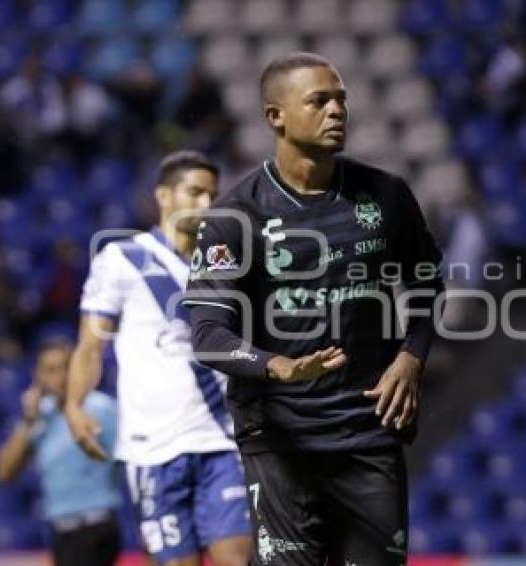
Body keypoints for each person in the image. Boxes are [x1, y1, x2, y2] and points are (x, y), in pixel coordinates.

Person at [183, 52, 444, 565]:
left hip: (368, 432)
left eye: (341, 100)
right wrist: (275, 366)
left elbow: (427, 281)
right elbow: (207, 333)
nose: (336, 112)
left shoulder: (386, 196)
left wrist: (412, 355)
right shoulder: (237, 216)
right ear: (275, 116)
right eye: (319, 101)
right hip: (280, 442)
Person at [64, 151, 252, 566]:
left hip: (220, 438)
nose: (206, 204)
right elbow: (90, 345)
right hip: (153, 447)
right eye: (195, 192)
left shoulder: (228, 268)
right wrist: (74, 404)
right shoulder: (122, 260)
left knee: (235, 559)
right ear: (163, 196)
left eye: (212, 195)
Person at [0, 339, 121, 566]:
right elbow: (4, 473)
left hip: (95, 526)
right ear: (38, 375)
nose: (60, 377)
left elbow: (127, 460)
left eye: (65, 367)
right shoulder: (39, 416)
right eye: (50, 370)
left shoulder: (100, 409)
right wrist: (27, 423)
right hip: (59, 530)